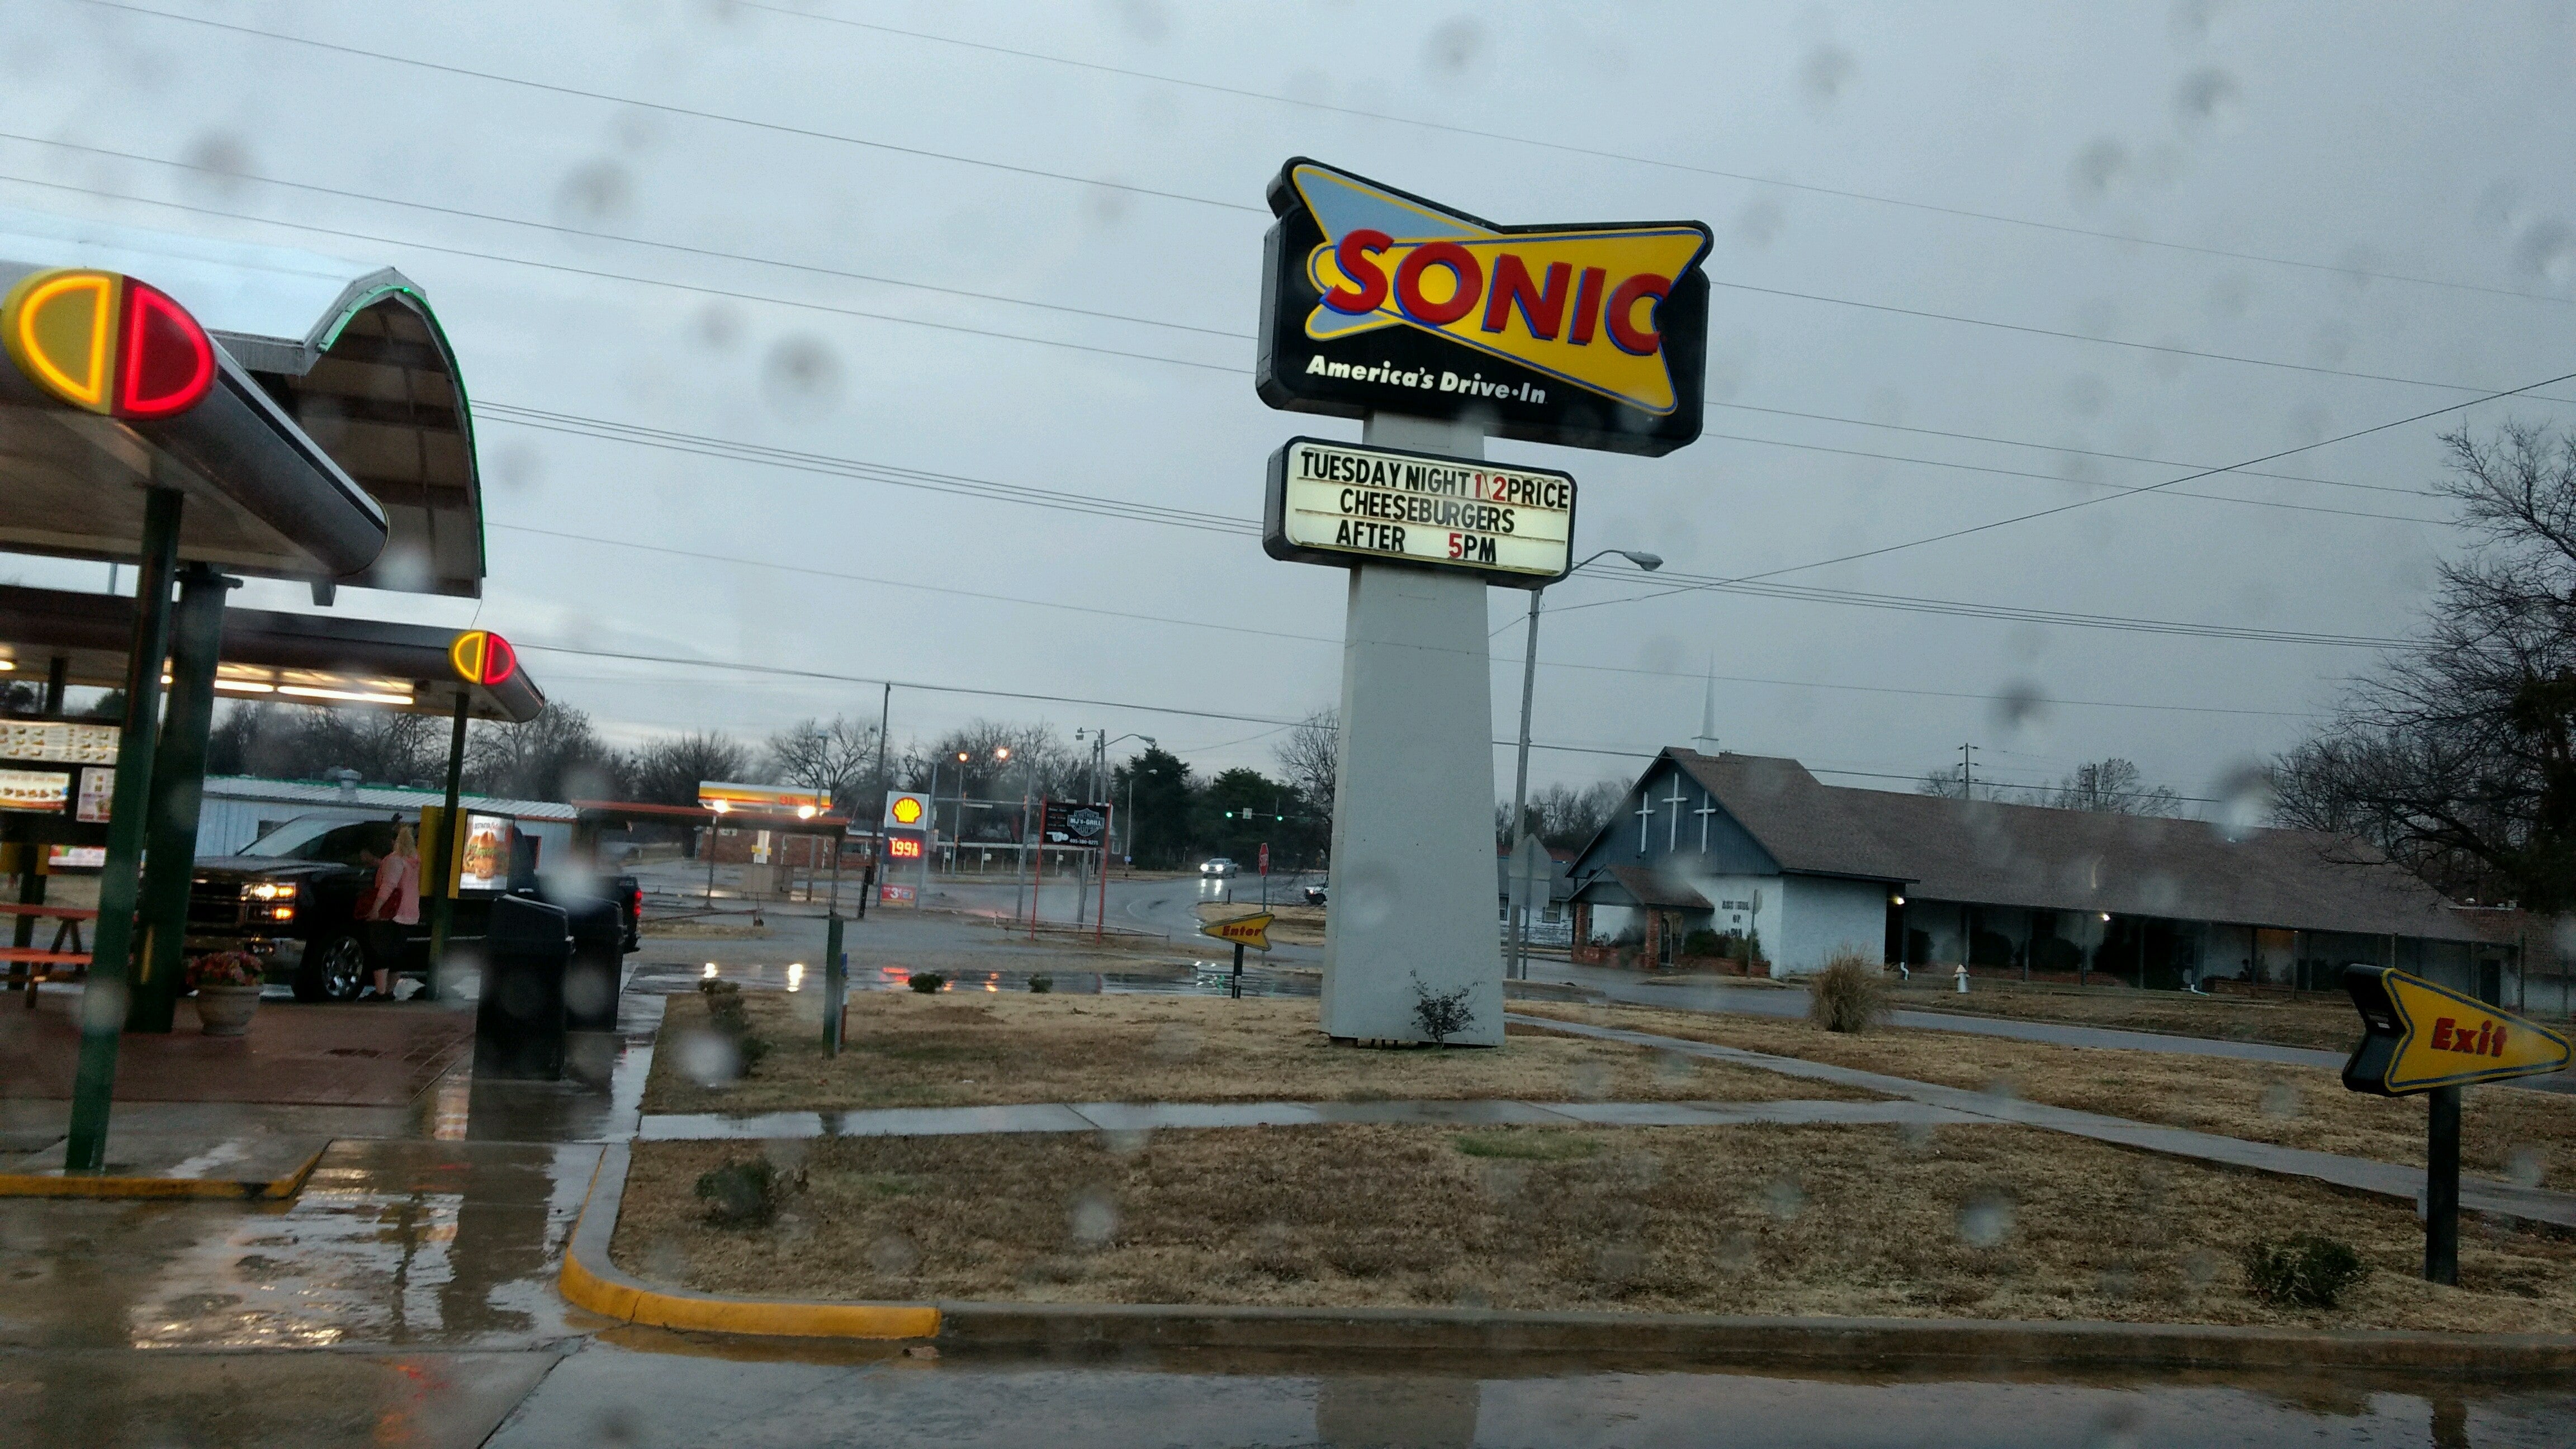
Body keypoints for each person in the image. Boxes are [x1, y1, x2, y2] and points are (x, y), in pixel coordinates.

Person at [360, 823, 422, 1002]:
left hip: (391, 913)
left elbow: (389, 885)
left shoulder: (395, 860)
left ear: (393, 841)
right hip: (410, 913)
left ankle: (380, 992)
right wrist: (378, 862)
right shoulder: (415, 859)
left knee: (380, 951)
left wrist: (375, 909)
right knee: (397, 953)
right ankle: (389, 991)